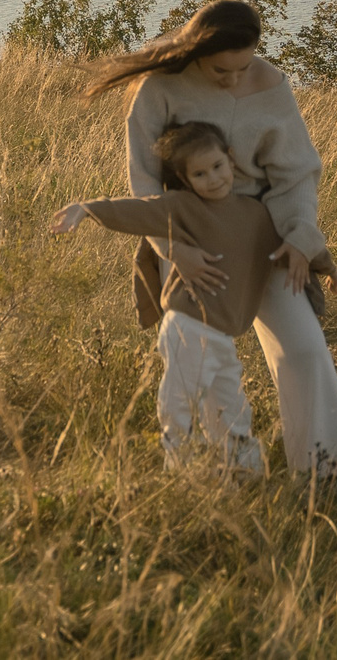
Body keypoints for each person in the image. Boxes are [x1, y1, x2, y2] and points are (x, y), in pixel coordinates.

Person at [82, 0, 337, 478]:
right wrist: (173, 251)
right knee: (203, 365)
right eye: (220, 70)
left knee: (304, 348)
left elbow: (296, 175)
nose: (234, 78)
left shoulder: (273, 85)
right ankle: (224, 473)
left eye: (244, 66)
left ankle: (332, 475)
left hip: (265, 235)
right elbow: (146, 183)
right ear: (196, 50)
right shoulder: (158, 87)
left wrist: (301, 239)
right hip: (191, 236)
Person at [49, 120, 274, 471]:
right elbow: (138, 211)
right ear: (186, 180)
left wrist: (323, 264)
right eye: (200, 174)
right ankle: (183, 467)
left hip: (224, 335)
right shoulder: (183, 207)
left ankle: (241, 468)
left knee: (229, 405)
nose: (213, 179)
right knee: (180, 402)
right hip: (187, 326)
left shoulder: (254, 213)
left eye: (217, 167)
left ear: (231, 160)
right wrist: (87, 209)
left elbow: (285, 242)